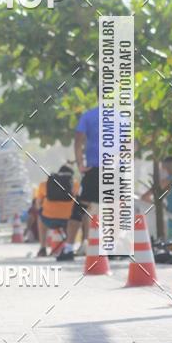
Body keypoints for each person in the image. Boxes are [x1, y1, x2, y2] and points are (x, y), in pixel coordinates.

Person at [56, 104, 100, 262]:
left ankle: (68, 249)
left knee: (79, 208)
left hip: (93, 170)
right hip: (115, 170)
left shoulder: (88, 116)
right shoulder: (122, 117)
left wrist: (80, 164)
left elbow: (78, 141)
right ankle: (114, 249)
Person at [35, 166, 78, 256]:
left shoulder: (44, 184)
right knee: (79, 216)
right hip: (68, 221)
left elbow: (38, 203)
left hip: (48, 220)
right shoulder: (75, 184)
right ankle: (71, 247)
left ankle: (43, 248)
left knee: (40, 216)